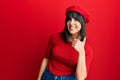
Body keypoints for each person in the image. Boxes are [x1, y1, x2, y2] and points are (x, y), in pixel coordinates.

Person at [37, 5, 93, 80]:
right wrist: (38, 78)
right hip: (47, 76)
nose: (71, 23)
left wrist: (81, 53)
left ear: (82, 24)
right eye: (69, 19)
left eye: (76, 20)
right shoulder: (55, 37)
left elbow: (80, 78)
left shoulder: (87, 49)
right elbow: (46, 59)